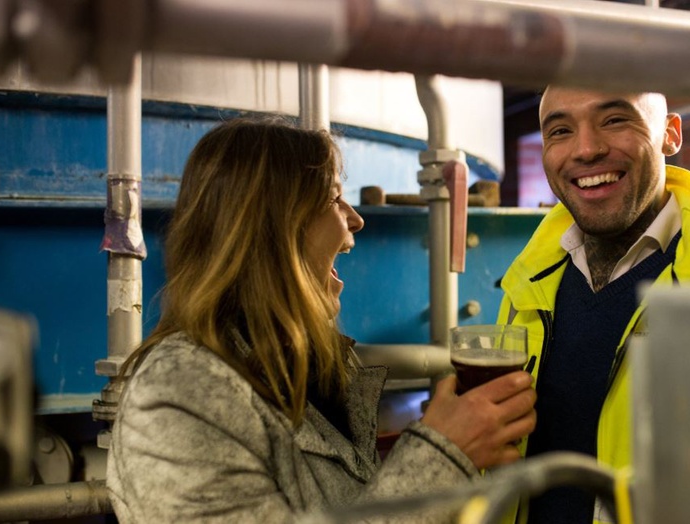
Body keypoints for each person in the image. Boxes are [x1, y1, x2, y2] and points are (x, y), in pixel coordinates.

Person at [106, 116, 538, 523]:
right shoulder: (181, 393)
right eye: (333, 198)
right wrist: (442, 455)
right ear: (274, 227)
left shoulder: (303, 372)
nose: (355, 219)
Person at [497, 86, 690, 524]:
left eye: (614, 120)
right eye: (561, 130)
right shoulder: (523, 292)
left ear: (671, 134)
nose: (586, 149)